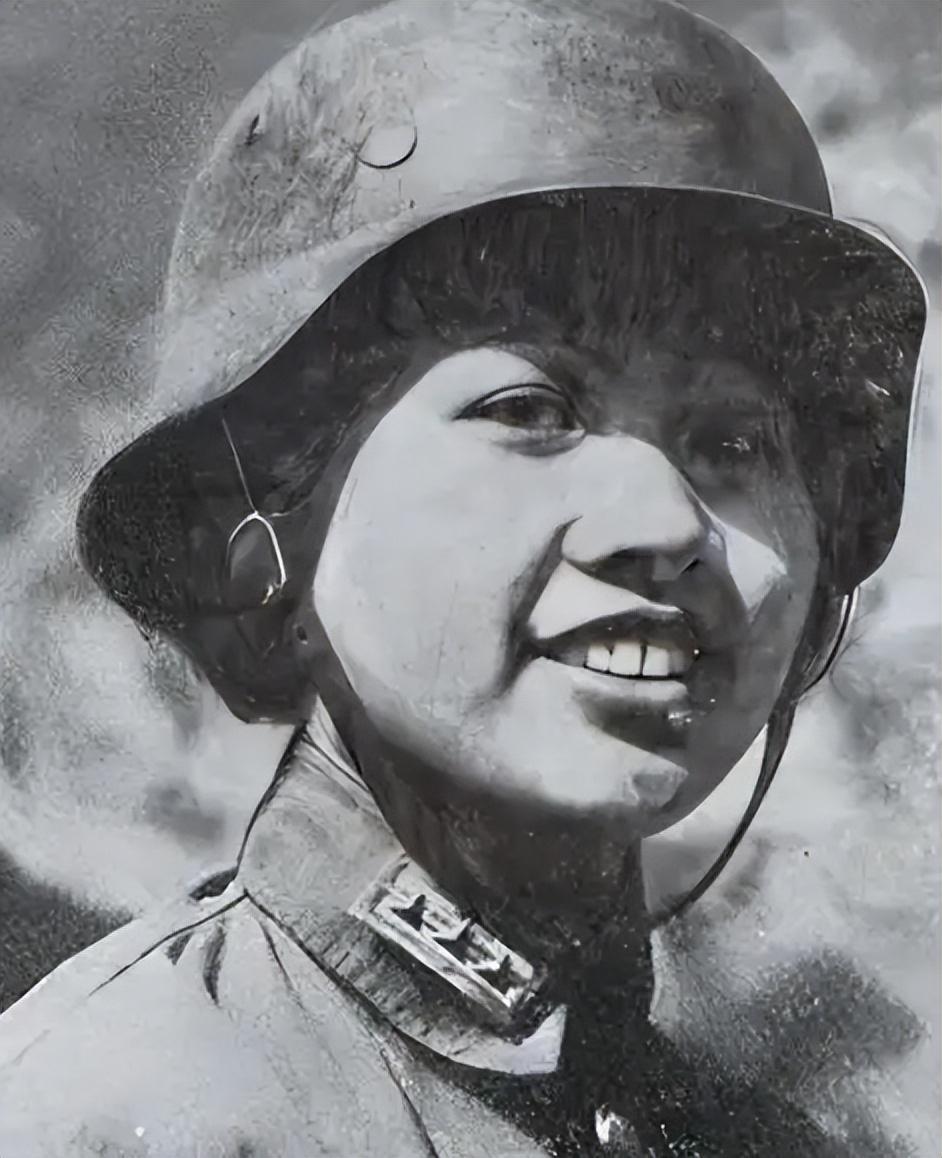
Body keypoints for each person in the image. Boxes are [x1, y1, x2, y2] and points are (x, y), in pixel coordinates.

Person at [0, 1, 927, 1154]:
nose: (662, 524)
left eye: (735, 445)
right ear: (265, 545)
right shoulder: (102, 1116)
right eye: (529, 411)